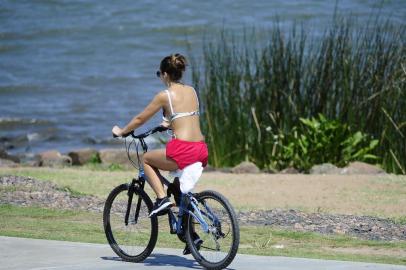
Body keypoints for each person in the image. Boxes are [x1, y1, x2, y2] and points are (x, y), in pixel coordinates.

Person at [112, 54, 208, 253]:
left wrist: (122, 131)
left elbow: (140, 119)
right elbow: (184, 116)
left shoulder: (164, 95)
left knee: (146, 159)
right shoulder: (192, 91)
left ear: (165, 74)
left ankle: (161, 199)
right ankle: (190, 235)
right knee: (178, 187)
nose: (160, 77)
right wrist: (167, 123)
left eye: (159, 74)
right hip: (200, 149)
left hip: (182, 150)